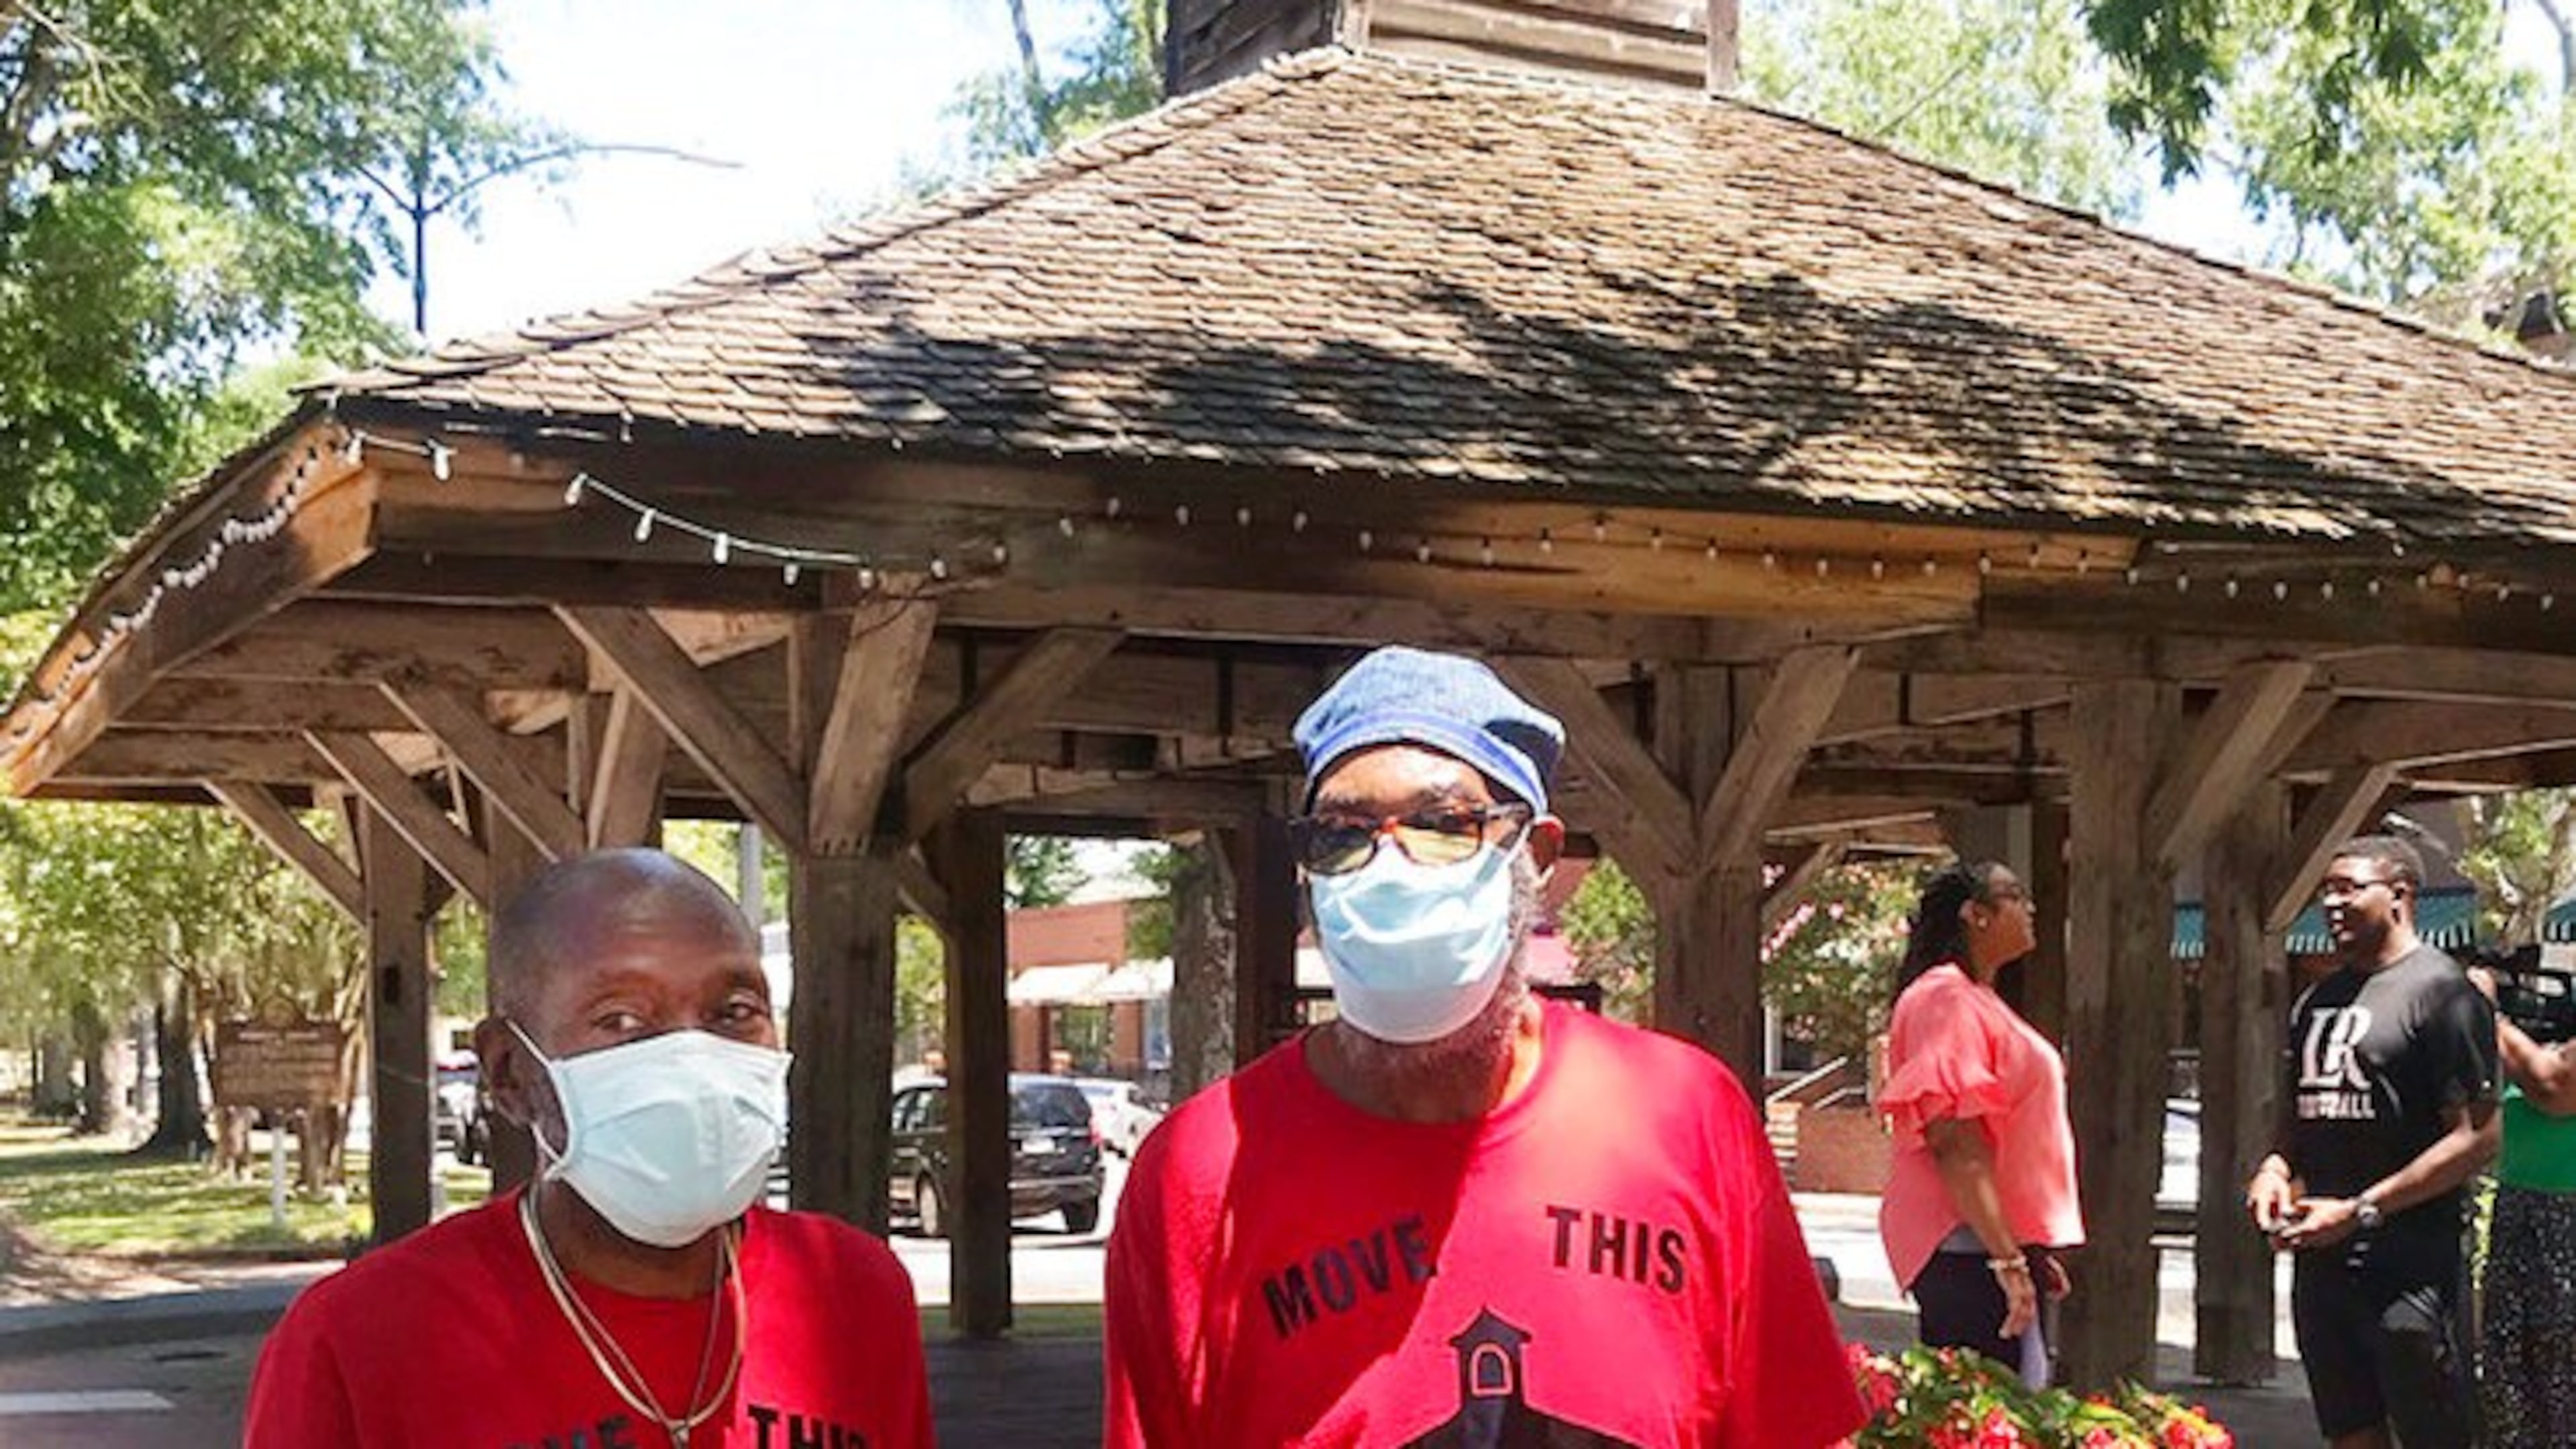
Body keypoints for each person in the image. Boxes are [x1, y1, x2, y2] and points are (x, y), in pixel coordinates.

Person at [1103, 646, 1863, 1448]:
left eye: (1442, 826)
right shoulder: (1197, 1171)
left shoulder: (1686, 1115)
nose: (1388, 867)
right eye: (1341, 834)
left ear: (1535, 853)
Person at [246, 849, 934, 1448]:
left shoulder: (853, 1292)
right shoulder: (363, 1338)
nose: (693, 1058)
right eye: (622, 1019)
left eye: (734, 1011)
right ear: (510, 1073)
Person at [2244, 835, 2498, 1449]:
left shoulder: (2443, 992)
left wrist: (2361, 1209)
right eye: (2326, 891)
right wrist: (2274, 1167)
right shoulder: (2317, 1001)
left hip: (2410, 1265)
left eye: (2349, 889)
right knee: (2350, 1430)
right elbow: (2299, 1110)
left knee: (2433, 1432)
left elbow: (2478, 1137)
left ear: (2400, 895)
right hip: (2323, 1268)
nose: (2332, 904)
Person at [1874, 859, 2081, 1387]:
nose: (2030, 908)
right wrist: (2006, 1259)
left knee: (2012, 1400)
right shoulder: (1943, 999)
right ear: (1976, 915)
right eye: (2015, 896)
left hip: (1985, 1244)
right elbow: (1954, 1140)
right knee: (1995, 1409)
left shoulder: (1975, 999)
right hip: (1966, 1246)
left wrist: (2022, 1247)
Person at [2466, 952, 2576, 1446]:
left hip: (2564, 1225)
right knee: (2510, 1381)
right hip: (2520, 1212)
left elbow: (2552, 1085)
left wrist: (2488, 1014)